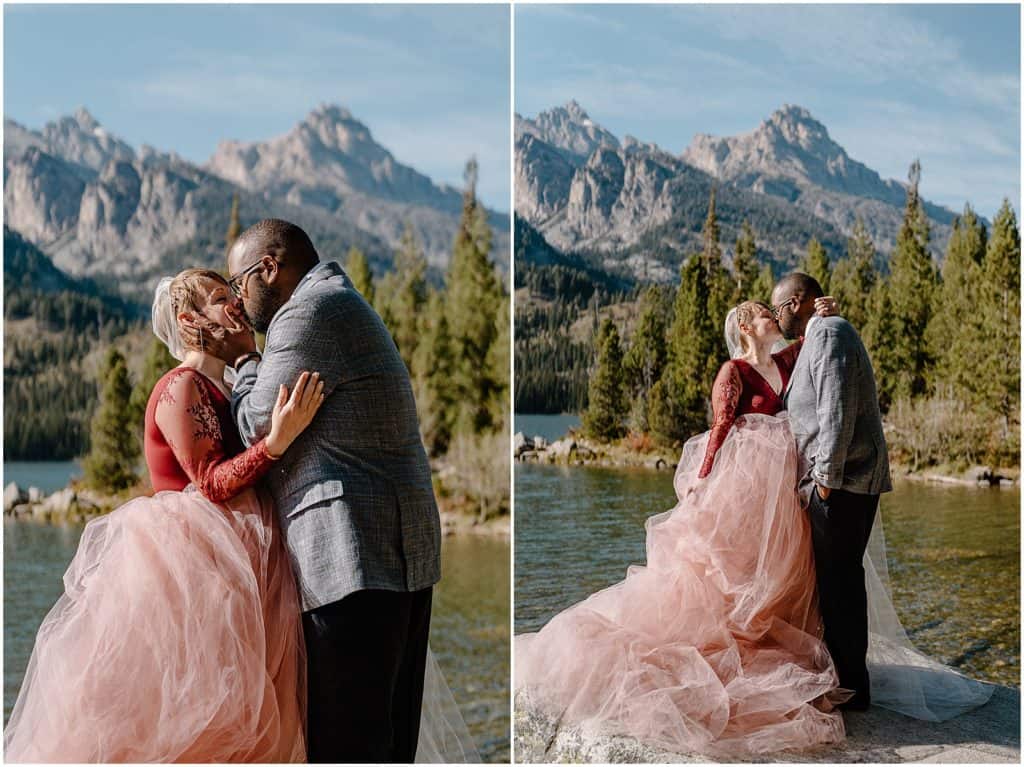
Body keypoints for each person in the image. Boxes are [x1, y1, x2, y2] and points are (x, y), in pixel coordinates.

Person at [4, 268, 324, 762]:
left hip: (240, 570)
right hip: (188, 575)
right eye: (221, 299)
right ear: (189, 319)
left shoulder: (227, 387)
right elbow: (211, 481)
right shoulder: (181, 386)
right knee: (184, 719)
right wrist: (277, 441)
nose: (235, 306)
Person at [516, 297, 850, 757]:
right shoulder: (731, 372)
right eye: (762, 312)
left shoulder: (787, 360)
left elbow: (812, 340)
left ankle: (773, 648)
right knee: (726, 581)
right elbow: (719, 428)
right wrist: (701, 482)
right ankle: (728, 657)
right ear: (745, 327)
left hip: (782, 498)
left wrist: (823, 312)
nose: (773, 315)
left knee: (778, 580)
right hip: (744, 488)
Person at [223, 219, 444, 763]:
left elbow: (256, 422)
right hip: (392, 556)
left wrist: (244, 361)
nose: (235, 301)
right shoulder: (339, 300)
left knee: (348, 746)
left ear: (268, 269)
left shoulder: (308, 313)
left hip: (353, 560)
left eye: (236, 285)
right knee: (385, 744)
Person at [771, 271, 891, 710]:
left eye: (779, 307)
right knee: (839, 583)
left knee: (840, 585)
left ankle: (852, 690)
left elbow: (835, 414)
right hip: (841, 483)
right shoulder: (820, 333)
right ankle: (848, 682)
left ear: (798, 301)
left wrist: (823, 485)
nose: (777, 316)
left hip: (842, 485)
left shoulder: (831, 334)